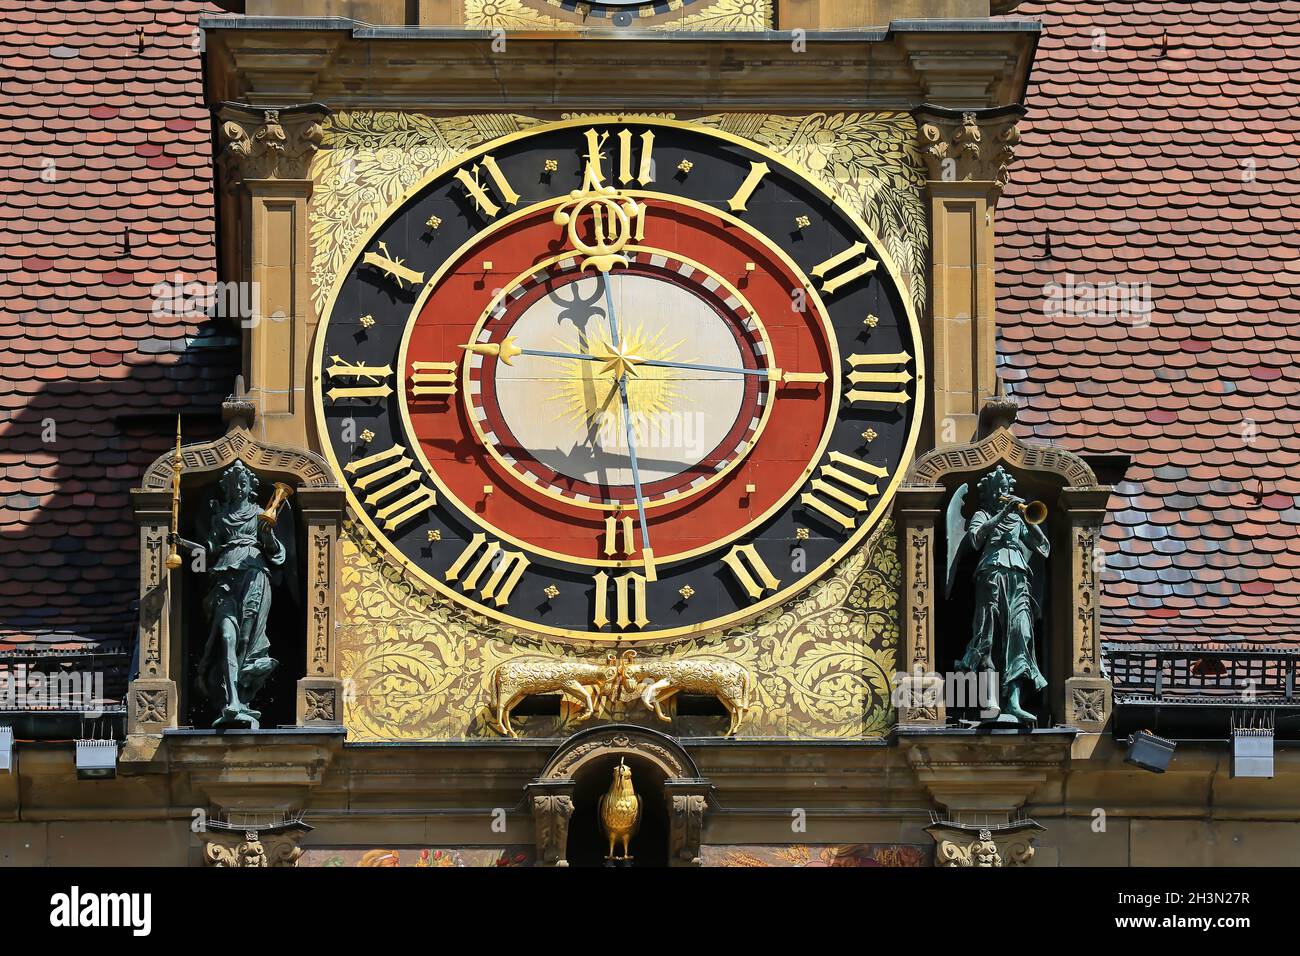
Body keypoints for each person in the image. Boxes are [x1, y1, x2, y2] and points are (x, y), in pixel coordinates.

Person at [184, 460, 284, 728]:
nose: (238, 487)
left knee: (245, 639)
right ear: (227, 488)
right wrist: (181, 543)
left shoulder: (260, 513)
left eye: (243, 483)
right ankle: (231, 701)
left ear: (250, 486)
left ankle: (241, 697)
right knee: (226, 637)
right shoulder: (220, 517)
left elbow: (276, 553)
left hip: (254, 574)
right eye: (233, 484)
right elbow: (207, 550)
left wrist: (268, 536)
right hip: (224, 577)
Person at [956, 466, 1049, 722]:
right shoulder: (982, 514)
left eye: (1006, 489)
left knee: (1021, 634)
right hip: (992, 575)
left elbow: (1041, 545)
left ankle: (1014, 703)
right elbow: (975, 538)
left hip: (1019, 578)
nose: (1004, 493)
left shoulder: (1019, 519)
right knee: (987, 635)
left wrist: (1028, 519)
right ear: (989, 494)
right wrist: (1002, 514)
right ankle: (991, 701)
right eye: (999, 490)